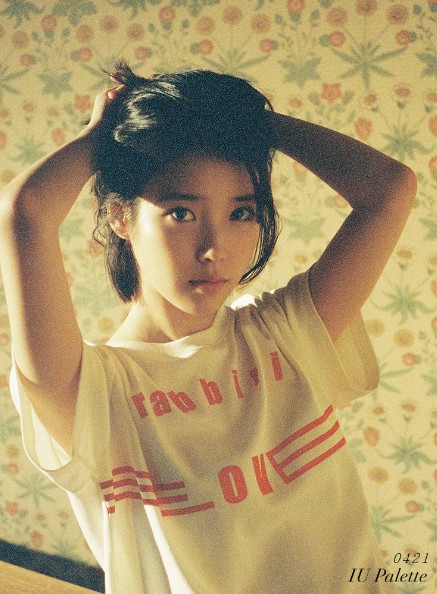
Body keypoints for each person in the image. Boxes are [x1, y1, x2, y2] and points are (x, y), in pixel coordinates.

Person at [0, 62, 416, 594]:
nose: (215, 249)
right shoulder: (90, 392)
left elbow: (390, 189)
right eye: (181, 212)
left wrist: (248, 122)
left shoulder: (282, 334)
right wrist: (100, 135)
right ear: (120, 216)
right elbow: (26, 212)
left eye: (241, 213)